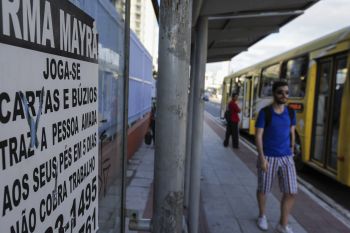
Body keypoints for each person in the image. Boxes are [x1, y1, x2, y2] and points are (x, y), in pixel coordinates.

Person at [255, 80, 297, 233]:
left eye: (286, 92)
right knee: (264, 189)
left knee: (291, 191)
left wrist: (292, 150)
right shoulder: (265, 112)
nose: (284, 95)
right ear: (274, 93)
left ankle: (282, 224)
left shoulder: (291, 112)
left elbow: (291, 131)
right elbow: (259, 136)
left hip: (286, 157)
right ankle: (262, 216)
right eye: (280, 92)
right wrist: (261, 158)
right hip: (268, 157)